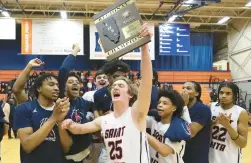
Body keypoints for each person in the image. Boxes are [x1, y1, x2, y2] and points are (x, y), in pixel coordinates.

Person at [62, 23, 153, 163]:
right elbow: (79, 129)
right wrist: (70, 124)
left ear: (130, 94)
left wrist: (144, 46)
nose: (116, 87)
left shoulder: (136, 113)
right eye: (114, 85)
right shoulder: (104, 119)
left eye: (121, 85)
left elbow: (147, 80)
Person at [13, 73, 71, 163]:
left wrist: (60, 121)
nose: (56, 88)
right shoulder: (24, 109)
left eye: (57, 85)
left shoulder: (63, 110)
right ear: (39, 88)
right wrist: (54, 118)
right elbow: (28, 146)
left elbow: (67, 147)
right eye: (51, 85)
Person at [147, 89, 190, 163]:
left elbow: (164, 151)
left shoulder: (178, 128)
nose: (160, 105)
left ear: (174, 108)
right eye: (159, 102)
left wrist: (143, 133)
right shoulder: (153, 120)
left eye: (165, 103)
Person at [209, 82, 248, 163]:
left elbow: (243, 143)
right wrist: (215, 122)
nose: (223, 96)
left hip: (230, 158)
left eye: (228, 93)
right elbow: (203, 131)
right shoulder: (210, 107)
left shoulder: (241, 112)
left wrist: (228, 126)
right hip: (210, 156)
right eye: (221, 92)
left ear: (234, 95)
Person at [182, 81, 211, 163]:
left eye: (188, 88)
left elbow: (190, 133)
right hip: (183, 156)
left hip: (197, 157)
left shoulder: (202, 109)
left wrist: (183, 105)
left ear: (197, 93)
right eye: (183, 88)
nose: (184, 90)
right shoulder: (180, 108)